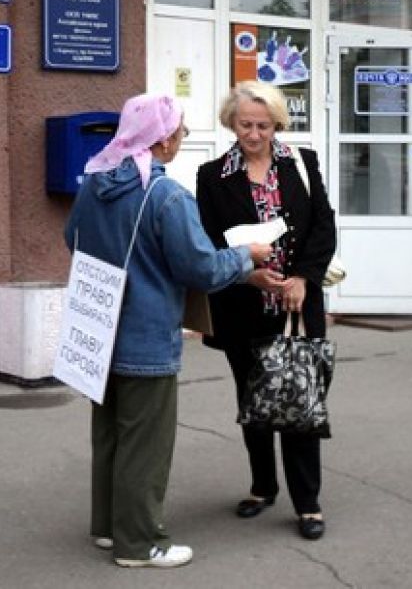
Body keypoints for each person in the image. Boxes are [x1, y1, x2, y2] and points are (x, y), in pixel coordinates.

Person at [64, 93, 274, 569]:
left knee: (111, 434)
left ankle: (108, 527)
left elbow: (70, 238)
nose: (181, 140)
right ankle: (140, 543)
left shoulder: (95, 181)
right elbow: (201, 268)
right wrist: (249, 256)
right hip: (146, 335)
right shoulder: (167, 196)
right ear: (161, 140)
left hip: (99, 329)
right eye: (179, 132)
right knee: (146, 444)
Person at [195, 80, 336, 541]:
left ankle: (308, 503)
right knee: (253, 402)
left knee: (299, 400)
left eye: (262, 125)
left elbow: (323, 226)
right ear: (230, 124)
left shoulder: (301, 162)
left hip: (296, 306)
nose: (254, 134)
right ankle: (262, 486)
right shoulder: (212, 175)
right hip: (242, 306)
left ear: (277, 122)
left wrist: (303, 278)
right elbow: (210, 241)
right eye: (244, 125)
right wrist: (244, 273)